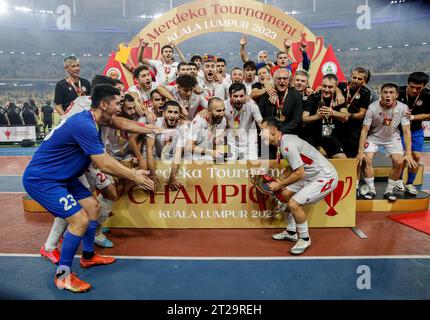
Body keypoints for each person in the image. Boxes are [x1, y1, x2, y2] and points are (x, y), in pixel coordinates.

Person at [23, 84, 154, 292]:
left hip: (64, 177)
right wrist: (133, 175)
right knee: (80, 220)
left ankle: (88, 256)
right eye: (117, 103)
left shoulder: (94, 119)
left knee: (93, 207)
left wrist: (151, 129)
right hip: (44, 180)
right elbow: (102, 162)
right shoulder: (84, 124)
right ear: (104, 104)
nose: (120, 107)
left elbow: (119, 128)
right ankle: (63, 275)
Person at [261, 117, 338, 255]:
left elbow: (299, 173)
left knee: (294, 204)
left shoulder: (287, 144)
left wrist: (280, 184)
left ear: (272, 130)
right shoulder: (284, 141)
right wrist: (280, 180)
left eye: (262, 130)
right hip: (310, 175)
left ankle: (304, 238)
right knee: (285, 195)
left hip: (325, 177)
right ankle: (291, 232)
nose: (260, 134)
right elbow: (292, 167)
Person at [357, 83, 417, 201]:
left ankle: (389, 190)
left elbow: (406, 132)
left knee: (399, 162)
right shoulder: (372, 108)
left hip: (392, 138)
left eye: (391, 93)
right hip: (373, 136)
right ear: (381, 94)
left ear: (396, 95)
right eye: (385, 92)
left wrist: (408, 153)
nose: (388, 96)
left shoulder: (403, 108)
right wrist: (360, 151)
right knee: (366, 160)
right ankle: (371, 189)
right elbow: (364, 130)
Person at [396, 72, 430, 194]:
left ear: (424, 86)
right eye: (412, 87)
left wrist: (413, 117)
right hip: (398, 131)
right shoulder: (397, 92)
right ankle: (399, 180)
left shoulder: (428, 95)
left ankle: (410, 183)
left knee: (416, 156)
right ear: (407, 83)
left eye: (418, 88)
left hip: (416, 131)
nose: (415, 90)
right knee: (402, 156)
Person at [258, 69, 304, 159]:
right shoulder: (267, 94)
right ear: (274, 80)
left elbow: (297, 120)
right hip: (269, 137)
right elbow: (262, 116)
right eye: (279, 78)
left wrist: (279, 132)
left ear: (289, 80)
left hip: (289, 136)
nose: (282, 81)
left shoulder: (296, 96)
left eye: (285, 78)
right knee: (266, 162)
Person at [301, 73, 348, 159]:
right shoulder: (313, 97)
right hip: (312, 137)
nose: (326, 89)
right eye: (324, 86)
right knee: (314, 158)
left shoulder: (339, 99)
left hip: (329, 136)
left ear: (335, 87)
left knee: (342, 159)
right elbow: (303, 119)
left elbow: (345, 117)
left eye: (330, 87)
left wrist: (332, 113)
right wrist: (317, 116)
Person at [146, 101, 188, 189]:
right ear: (163, 112)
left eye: (176, 112)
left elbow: (178, 153)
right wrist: (152, 174)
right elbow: (149, 149)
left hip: (176, 160)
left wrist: (172, 177)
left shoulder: (183, 127)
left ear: (180, 114)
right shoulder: (155, 123)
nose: (172, 116)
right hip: (158, 158)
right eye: (169, 112)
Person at [224, 83, 262, 160]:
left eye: (241, 96)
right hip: (232, 141)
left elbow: (261, 123)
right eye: (235, 96)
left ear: (245, 95)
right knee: (230, 168)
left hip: (250, 142)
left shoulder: (252, 105)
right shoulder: (224, 105)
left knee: (252, 167)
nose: (238, 99)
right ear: (229, 95)